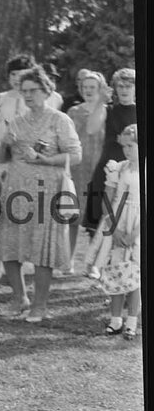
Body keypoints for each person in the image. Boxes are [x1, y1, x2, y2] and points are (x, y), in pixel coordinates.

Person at [0, 66, 82, 322]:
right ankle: (19, 297)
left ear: (46, 90)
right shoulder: (16, 122)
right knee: (9, 244)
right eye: (24, 91)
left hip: (47, 190)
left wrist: (45, 159)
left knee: (43, 248)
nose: (28, 95)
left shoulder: (59, 120)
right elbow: (0, 158)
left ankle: (39, 305)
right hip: (16, 190)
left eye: (33, 90)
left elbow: (75, 155)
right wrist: (5, 144)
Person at [84, 125, 141, 340]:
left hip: (137, 225)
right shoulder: (118, 168)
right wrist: (114, 229)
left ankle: (132, 322)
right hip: (117, 222)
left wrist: (134, 233)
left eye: (131, 146)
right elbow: (107, 200)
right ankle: (115, 320)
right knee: (116, 271)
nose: (126, 150)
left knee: (135, 275)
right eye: (124, 146)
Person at [82, 68, 136, 238]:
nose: (124, 90)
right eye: (120, 86)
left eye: (128, 86)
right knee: (98, 227)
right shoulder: (108, 109)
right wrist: (101, 101)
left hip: (133, 171)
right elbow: (91, 129)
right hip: (107, 170)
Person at [65, 69, 108, 269]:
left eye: (93, 87)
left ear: (100, 89)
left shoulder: (107, 111)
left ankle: (93, 264)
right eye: (85, 87)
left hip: (100, 168)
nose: (88, 91)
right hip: (78, 169)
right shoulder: (73, 112)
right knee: (72, 217)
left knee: (96, 218)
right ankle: (68, 262)